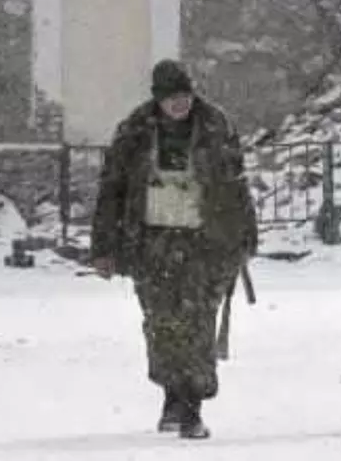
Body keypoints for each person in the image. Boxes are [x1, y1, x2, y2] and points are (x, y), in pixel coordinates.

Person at [91, 60, 256, 441]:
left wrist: (245, 234)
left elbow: (236, 184)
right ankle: (171, 393)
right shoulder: (135, 131)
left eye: (184, 96)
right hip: (152, 242)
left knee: (199, 321)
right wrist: (103, 246)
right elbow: (111, 190)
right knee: (161, 321)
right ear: (157, 99)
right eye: (171, 98)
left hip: (205, 240)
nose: (179, 105)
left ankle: (193, 403)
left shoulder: (216, 126)